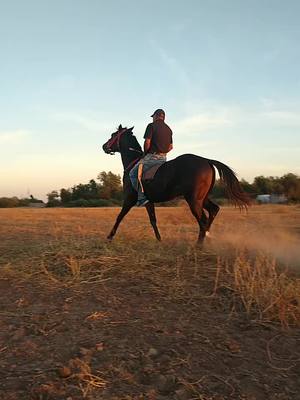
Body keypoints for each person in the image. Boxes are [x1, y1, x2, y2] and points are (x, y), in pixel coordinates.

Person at [129, 108, 173, 206]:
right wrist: (163, 152)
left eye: (153, 117)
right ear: (163, 117)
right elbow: (171, 147)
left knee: (132, 174)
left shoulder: (151, 126)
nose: (152, 119)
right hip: (164, 158)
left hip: (152, 158)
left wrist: (146, 153)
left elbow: (147, 142)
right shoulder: (169, 129)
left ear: (156, 116)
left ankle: (141, 197)